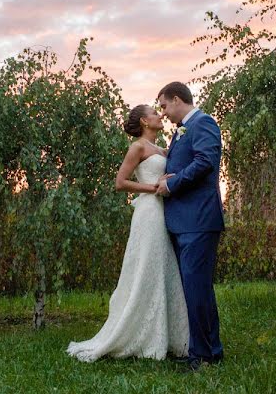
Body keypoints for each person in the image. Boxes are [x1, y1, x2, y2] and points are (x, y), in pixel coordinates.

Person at [66, 104, 189, 362]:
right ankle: (140, 335)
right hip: (148, 212)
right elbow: (120, 182)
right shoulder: (138, 147)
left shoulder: (160, 147)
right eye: (155, 113)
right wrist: (153, 186)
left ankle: (168, 335)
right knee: (146, 267)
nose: (160, 115)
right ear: (145, 121)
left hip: (163, 211)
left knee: (162, 267)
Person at [156, 81, 225, 372]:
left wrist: (172, 182)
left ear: (176, 99)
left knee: (197, 289)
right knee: (196, 289)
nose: (163, 113)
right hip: (186, 221)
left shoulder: (203, 122)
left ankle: (203, 356)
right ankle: (209, 351)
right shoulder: (183, 129)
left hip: (198, 220)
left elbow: (206, 162)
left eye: (163, 106)